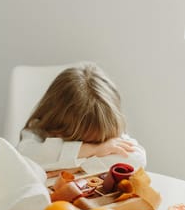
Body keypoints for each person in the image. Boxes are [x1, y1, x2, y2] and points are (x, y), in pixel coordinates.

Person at [16, 63, 146, 175]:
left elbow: (136, 160)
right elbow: (24, 156)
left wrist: (75, 167)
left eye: (97, 143)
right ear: (57, 123)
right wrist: (92, 150)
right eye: (79, 141)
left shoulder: (110, 134)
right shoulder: (38, 130)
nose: (95, 145)